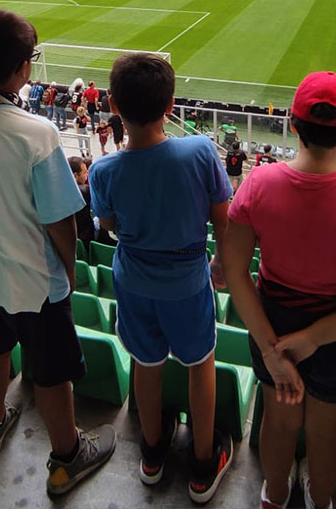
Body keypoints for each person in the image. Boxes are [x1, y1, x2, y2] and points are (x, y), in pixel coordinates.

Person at [0, 8, 114, 492]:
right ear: (23, 68)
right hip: (35, 276)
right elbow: (60, 220)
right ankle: (67, 456)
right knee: (52, 372)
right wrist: (69, 271)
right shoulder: (38, 132)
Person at [220, 71, 336, 509]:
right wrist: (315, 339)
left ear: (293, 124)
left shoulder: (258, 184)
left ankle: (275, 496)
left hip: (273, 325)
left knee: (279, 425)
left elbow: (233, 270)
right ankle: (321, 501)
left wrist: (272, 350)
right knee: (326, 433)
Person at [88, 53, 234, 504]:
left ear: (113, 103)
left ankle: (152, 455)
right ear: (171, 103)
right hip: (188, 282)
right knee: (199, 363)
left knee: (146, 365)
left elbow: (108, 224)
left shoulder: (103, 170)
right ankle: (204, 462)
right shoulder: (200, 151)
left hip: (133, 279)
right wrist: (222, 263)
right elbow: (222, 217)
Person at [69, 156, 96, 244]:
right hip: (86, 238)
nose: (87, 174)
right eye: (84, 172)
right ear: (75, 175)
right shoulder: (86, 191)